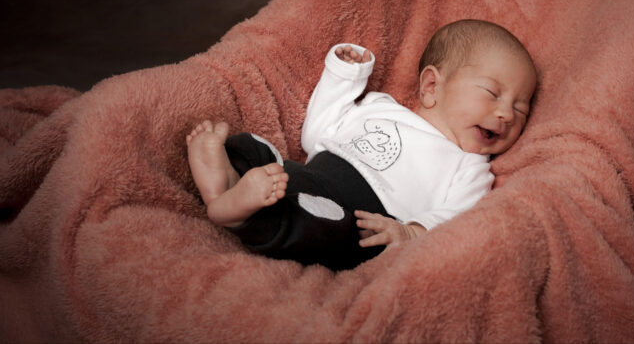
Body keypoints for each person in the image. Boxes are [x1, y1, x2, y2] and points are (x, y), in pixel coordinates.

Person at [186, 19, 538, 269]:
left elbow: (456, 216)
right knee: (255, 150)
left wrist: (410, 232)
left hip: (353, 217)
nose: (506, 114)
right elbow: (316, 134)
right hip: (304, 176)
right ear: (432, 86)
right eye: (492, 93)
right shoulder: (380, 106)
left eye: (520, 109)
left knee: (315, 222)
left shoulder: (470, 166)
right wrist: (343, 77)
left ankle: (237, 212)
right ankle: (225, 184)